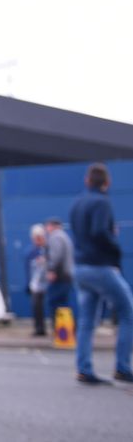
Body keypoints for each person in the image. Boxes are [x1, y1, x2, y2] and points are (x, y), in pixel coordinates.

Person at [69, 162, 133, 385]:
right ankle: (123, 367)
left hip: (80, 267)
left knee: (87, 320)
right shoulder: (102, 202)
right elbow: (99, 232)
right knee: (128, 312)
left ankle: (84, 368)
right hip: (100, 266)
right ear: (107, 183)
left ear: (88, 181)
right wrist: (115, 245)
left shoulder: (77, 202)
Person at [44, 217, 75, 320]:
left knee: (54, 302)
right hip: (67, 275)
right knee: (63, 304)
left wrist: (52, 271)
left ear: (52, 226)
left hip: (59, 276)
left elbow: (56, 256)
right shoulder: (65, 237)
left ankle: (60, 331)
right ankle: (66, 331)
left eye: (47, 226)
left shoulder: (55, 237)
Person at [26, 224, 48, 336]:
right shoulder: (32, 252)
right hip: (36, 284)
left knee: (55, 305)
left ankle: (60, 329)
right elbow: (29, 268)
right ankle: (39, 329)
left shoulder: (47, 249)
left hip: (48, 282)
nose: (37, 240)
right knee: (37, 306)